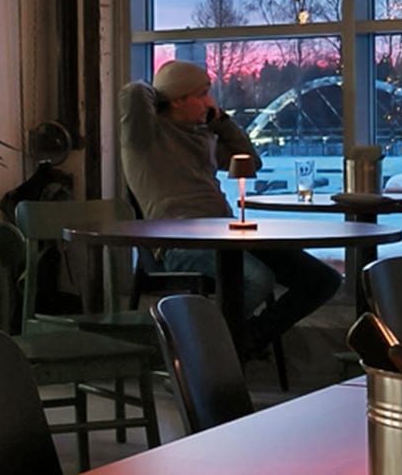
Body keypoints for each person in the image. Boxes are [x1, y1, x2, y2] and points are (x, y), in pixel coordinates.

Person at [118, 59, 340, 355]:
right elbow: (133, 94)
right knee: (256, 281)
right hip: (177, 242)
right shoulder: (144, 138)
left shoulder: (204, 135)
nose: (210, 102)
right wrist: (162, 90)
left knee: (322, 280)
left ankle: (240, 344)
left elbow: (250, 161)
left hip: (225, 233)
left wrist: (221, 122)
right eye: (202, 94)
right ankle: (205, 357)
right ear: (178, 100)